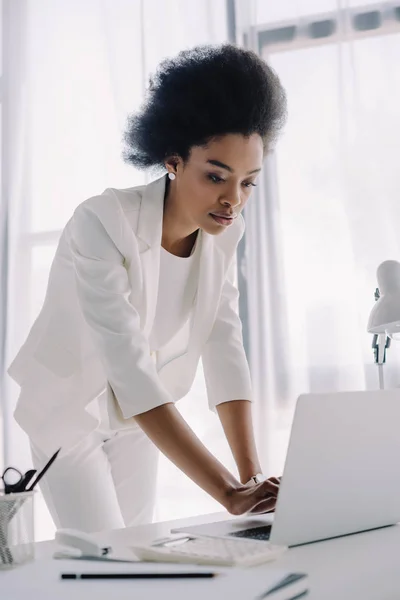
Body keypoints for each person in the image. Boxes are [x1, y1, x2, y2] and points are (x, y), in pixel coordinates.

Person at [7, 44, 287, 533]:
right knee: (104, 563)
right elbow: (128, 364)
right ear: (173, 159)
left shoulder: (225, 234)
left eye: (249, 183)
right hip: (70, 411)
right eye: (217, 176)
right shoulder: (102, 220)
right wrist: (225, 491)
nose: (232, 200)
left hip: (142, 417)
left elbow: (226, 347)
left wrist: (251, 477)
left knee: (138, 556)